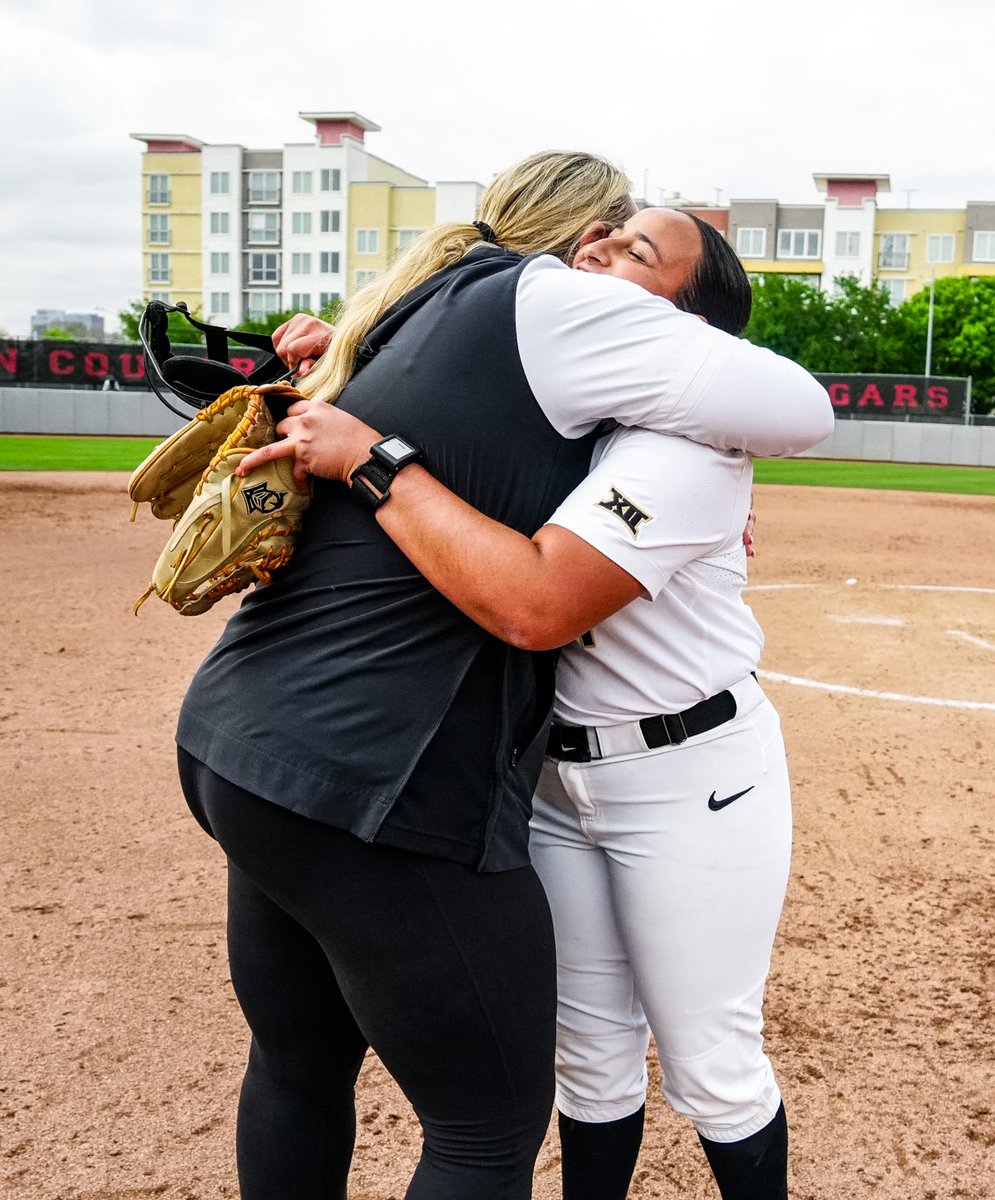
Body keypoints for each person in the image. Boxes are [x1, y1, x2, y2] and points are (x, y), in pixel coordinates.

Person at [179, 153, 833, 1200]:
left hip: (685, 774)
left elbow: (535, 601)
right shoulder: (554, 405)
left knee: (710, 1064)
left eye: (635, 249)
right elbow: (462, 416)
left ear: (687, 328)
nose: (600, 248)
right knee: (590, 1059)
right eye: (604, 233)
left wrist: (371, 451)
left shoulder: (688, 448)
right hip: (548, 778)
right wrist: (341, 355)